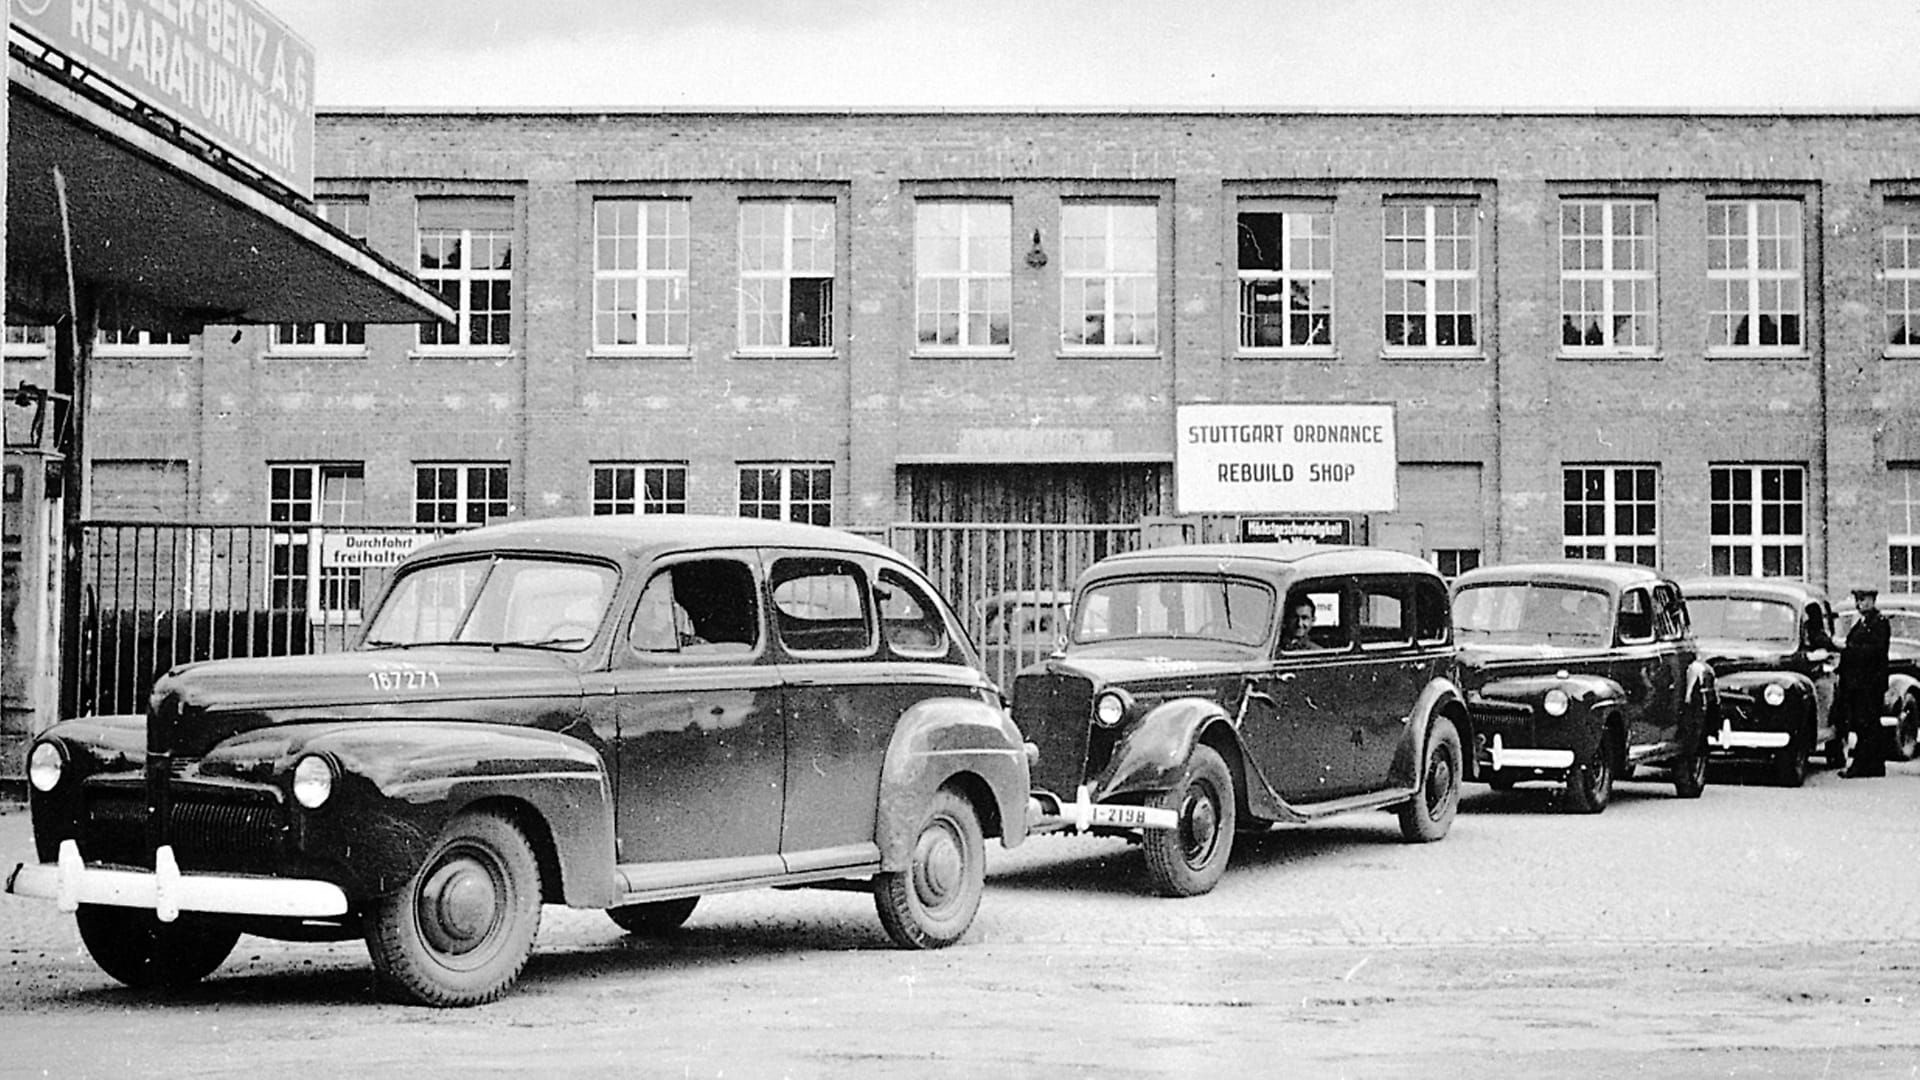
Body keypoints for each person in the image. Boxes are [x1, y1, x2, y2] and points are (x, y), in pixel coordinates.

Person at [1838, 586, 1892, 778]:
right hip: (1859, 683)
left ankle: (1862, 765)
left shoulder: (1879, 623)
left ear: (1873, 601)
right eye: (1859, 600)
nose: (1861, 604)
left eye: (1865, 600)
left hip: (1869, 683)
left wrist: (1847, 649)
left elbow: (1873, 651)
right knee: (1865, 724)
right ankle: (1874, 765)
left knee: (1867, 724)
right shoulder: (1862, 623)